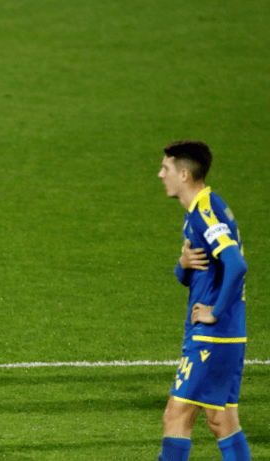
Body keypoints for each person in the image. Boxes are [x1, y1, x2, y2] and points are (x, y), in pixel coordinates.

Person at [156, 140, 251, 461]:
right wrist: (182, 265)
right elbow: (192, 275)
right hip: (227, 334)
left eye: (166, 168)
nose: (160, 175)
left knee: (175, 417)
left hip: (212, 335)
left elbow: (236, 264)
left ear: (184, 174)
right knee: (222, 421)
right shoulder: (199, 211)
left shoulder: (204, 212)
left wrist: (214, 312)